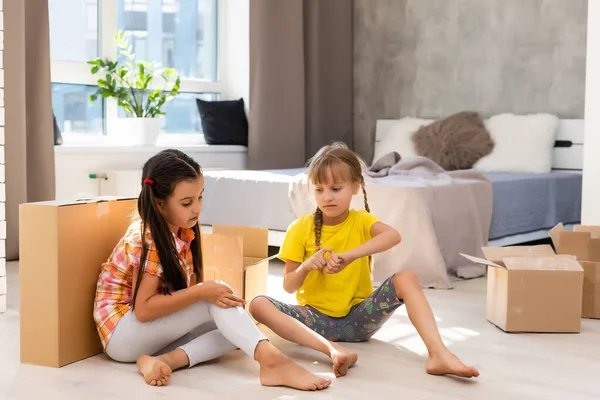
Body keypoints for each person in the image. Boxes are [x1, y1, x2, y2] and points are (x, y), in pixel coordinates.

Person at [93, 149, 331, 391]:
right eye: (187, 203)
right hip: (122, 335)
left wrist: (211, 296)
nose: (197, 209)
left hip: (145, 337)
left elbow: (180, 297)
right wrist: (203, 292)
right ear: (159, 203)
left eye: (200, 198)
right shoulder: (149, 238)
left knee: (234, 326)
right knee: (215, 301)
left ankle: (163, 360)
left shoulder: (181, 231)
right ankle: (273, 361)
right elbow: (143, 310)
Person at [249, 142, 479, 379]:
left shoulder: (361, 220)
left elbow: (393, 236)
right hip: (315, 322)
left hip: (360, 319)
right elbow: (289, 285)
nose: (327, 197)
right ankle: (333, 350)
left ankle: (438, 353)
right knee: (257, 304)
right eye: (319, 190)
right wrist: (308, 266)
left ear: (355, 187)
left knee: (406, 278)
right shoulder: (299, 228)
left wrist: (349, 256)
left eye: (336, 189)